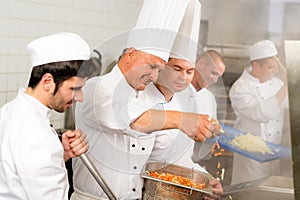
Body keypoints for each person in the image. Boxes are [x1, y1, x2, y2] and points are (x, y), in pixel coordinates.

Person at [71, 1, 220, 199]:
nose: (154, 75)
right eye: (151, 66)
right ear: (131, 54)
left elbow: (162, 158)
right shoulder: (95, 88)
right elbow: (127, 119)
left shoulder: (147, 100)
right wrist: (181, 119)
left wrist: (201, 179)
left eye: (159, 70)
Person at [0, 32, 91, 199]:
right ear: (48, 82)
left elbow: (23, 174)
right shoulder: (33, 133)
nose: (80, 97)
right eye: (74, 89)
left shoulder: (10, 110)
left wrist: (61, 154)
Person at [229, 40, 288, 184]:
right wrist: (287, 84)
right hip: (251, 160)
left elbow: (290, 107)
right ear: (255, 65)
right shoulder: (240, 88)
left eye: (275, 67)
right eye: (270, 68)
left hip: (275, 155)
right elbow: (262, 113)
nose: (274, 71)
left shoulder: (276, 83)